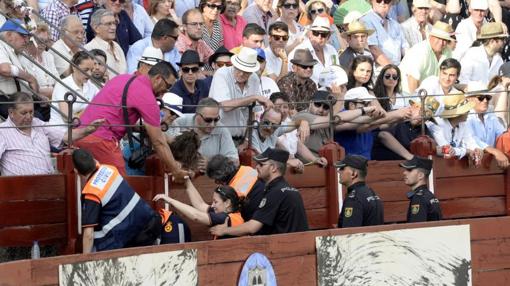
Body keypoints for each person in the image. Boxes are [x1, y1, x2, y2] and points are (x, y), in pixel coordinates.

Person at [75, 61, 188, 179]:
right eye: (168, 86)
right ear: (158, 78)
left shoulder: (122, 78)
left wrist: (137, 127)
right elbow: (159, 142)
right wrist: (176, 170)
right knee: (118, 189)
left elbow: (114, 113)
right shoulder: (147, 97)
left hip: (79, 135)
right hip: (102, 140)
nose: (166, 92)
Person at [73, 149, 162, 253]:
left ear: (76, 171)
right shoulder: (110, 169)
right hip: (150, 223)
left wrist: (85, 261)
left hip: (128, 239)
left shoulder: (91, 193)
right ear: (95, 160)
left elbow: (88, 235)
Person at [209, 148, 309, 236]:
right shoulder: (289, 189)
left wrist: (225, 230)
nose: (256, 167)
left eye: (261, 164)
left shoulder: (275, 193)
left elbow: (252, 227)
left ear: (273, 168)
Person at [0, 92, 103, 176]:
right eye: (24, 113)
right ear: (11, 113)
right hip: (18, 191)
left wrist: (88, 130)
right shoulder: (2, 132)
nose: (29, 116)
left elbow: (65, 136)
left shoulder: (38, 123)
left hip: (48, 185)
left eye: (31, 112)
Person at [209, 47, 272, 144]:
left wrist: (246, 139)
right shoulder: (221, 74)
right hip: (218, 137)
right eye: (239, 69)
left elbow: (252, 113)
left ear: (251, 71)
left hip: (242, 138)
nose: (241, 74)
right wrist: (254, 97)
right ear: (234, 64)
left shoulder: (254, 78)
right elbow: (225, 106)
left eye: (246, 71)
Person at [154, 180, 244, 239]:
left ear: (227, 203)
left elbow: (196, 216)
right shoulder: (231, 214)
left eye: (215, 202)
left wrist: (170, 200)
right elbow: (199, 204)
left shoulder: (224, 218)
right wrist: (187, 181)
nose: (212, 205)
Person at [166, 97, 239, 167]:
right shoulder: (180, 122)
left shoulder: (222, 130)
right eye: (208, 120)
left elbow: (235, 161)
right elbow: (164, 146)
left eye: (216, 119)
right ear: (197, 115)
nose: (212, 124)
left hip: (209, 177)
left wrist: (212, 164)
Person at [399, 21, 454, 95]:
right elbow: (412, 79)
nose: (441, 43)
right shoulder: (421, 50)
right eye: (438, 38)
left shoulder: (447, 51)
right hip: (406, 94)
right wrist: (417, 102)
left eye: (445, 40)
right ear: (430, 37)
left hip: (429, 94)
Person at [49, 51, 98, 132]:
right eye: (86, 70)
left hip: (81, 129)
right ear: (74, 67)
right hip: (61, 131)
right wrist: (87, 111)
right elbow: (67, 118)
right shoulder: (63, 85)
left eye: (91, 70)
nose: (89, 74)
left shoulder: (91, 86)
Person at [206, 154, 265, 220]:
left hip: (255, 220)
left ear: (221, 176)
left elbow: (225, 214)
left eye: (217, 180)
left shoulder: (232, 190)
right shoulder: (246, 169)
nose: (216, 182)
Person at [464, 81, 509, 168]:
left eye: (487, 97)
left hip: (490, 163)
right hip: (471, 166)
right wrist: (495, 152)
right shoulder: (465, 117)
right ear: (469, 99)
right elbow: (471, 139)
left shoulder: (491, 115)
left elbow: (501, 135)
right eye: (480, 98)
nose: (485, 101)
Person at [426, 93, 482, 161]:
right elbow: (447, 151)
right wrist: (466, 151)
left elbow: (470, 141)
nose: (469, 111)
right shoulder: (436, 125)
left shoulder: (462, 124)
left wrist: (477, 149)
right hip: (437, 167)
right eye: (466, 110)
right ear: (459, 114)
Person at [336, 154, 384, 228]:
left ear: (353, 174)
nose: (339, 171)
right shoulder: (371, 192)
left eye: (342, 168)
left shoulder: (354, 198)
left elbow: (349, 232)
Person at [288, 16, 339, 84]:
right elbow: (291, 80)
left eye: (323, 34)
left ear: (328, 36)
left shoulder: (332, 50)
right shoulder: (298, 52)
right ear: (310, 34)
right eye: (316, 33)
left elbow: (338, 72)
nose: (319, 37)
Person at [361, 0, 408, 67]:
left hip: (399, 68)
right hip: (380, 71)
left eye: (386, 1)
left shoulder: (395, 24)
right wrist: (392, 69)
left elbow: (405, 47)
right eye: (378, 0)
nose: (382, 3)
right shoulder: (366, 20)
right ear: (371, 1)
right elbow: (374, 49)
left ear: (391, 3)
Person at [20, 24, 58, 101]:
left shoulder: (48, 56)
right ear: (30, 39)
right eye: (39, 40)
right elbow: (29, 87)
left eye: (46, 41)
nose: (43, 44)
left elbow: (57, 80)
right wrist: (54, 91)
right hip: (35, 100)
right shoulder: (23, 58)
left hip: (54, 98)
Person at [400, 156, 442, 222]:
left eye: (409, 170)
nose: (404, 173)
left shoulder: (419, 198)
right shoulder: (429, 195)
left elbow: (416, 228)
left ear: (420, 175)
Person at [84, 9, 127, 75]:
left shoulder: (117, 46)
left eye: (114, 23)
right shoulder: (89, 49)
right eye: (108, 24)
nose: (113, 27)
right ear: (96, 28)